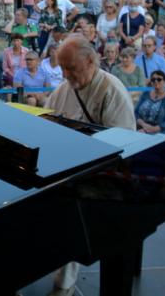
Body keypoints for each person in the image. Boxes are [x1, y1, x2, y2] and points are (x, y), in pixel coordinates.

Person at [46, 35, 135, 296]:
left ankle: (63, 284)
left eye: (70, 67)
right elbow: (46, 120)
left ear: (90, 60)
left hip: (102, 175)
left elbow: (124, 146)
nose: (65, 73)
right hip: (67, 167)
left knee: (68, 212)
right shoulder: (63, 89)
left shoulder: (111, 90)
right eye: (61, 67)